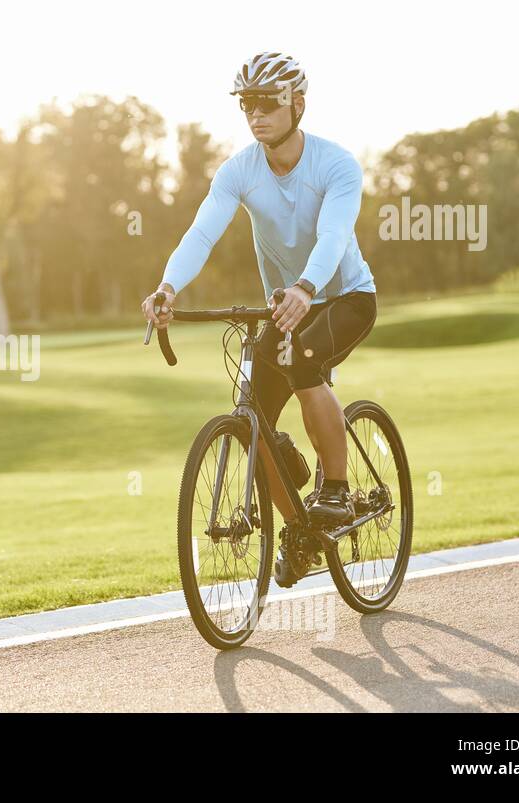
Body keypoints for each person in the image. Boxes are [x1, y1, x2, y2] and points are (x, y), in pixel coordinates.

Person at [142, 52, 377, 532]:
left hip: (345, 297)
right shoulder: (238, 171)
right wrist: (167, 287)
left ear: (299, 106)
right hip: (287, 307)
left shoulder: (336, 165)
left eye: (268, 102)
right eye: (247, 103)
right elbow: (202, 233)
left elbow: (333, 236)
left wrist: (306, 286)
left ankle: (335, 490)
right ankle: (300, 531)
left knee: (302, 358)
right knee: (255, 423)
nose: (256, 114)